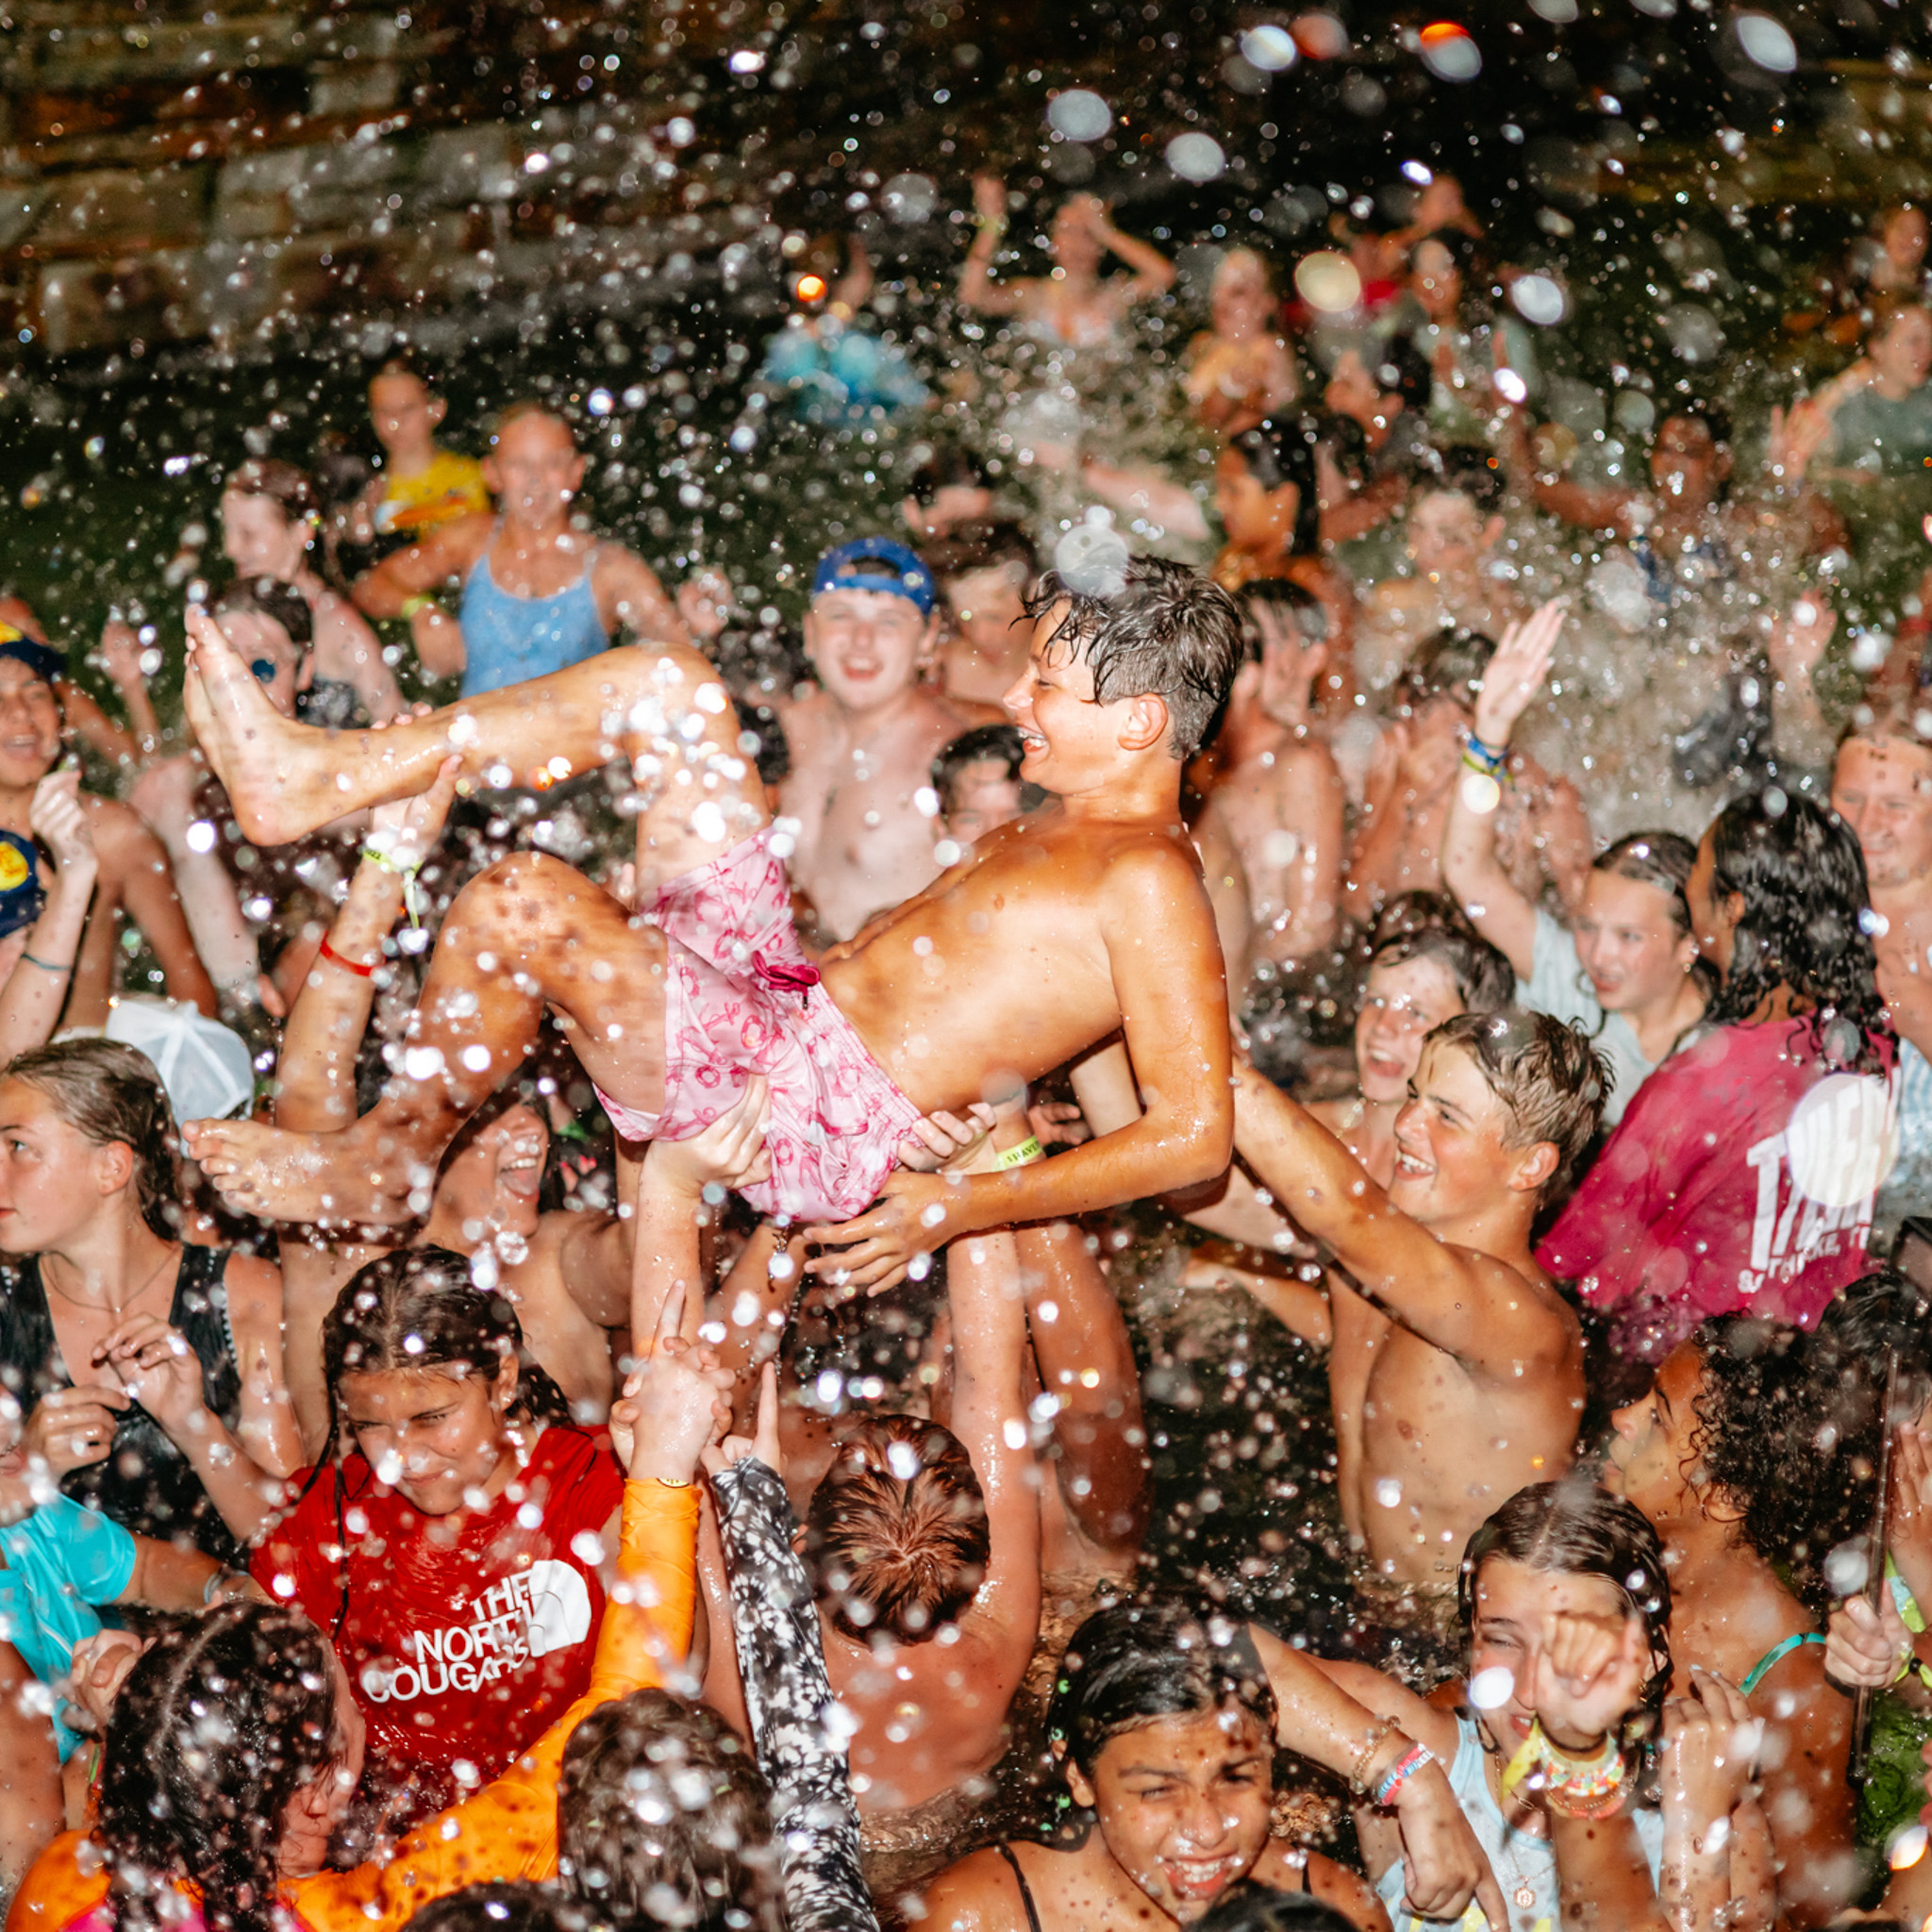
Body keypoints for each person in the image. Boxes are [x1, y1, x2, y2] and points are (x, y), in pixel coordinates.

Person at [177, 558, 1244, 1291]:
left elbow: (1193, 1137)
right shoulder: (1072, 829)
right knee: (669, 685)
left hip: (805, 1106)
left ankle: (391, 1158)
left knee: (522, 899)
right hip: (782, 1001)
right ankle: (319, 774)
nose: (1010, 695)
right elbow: (1059, 1022)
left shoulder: (1149, 876)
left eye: (1044, 683)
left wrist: (963, 1202)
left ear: (1138, 721)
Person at [6, 1291, 724, 1932]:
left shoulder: (62, 1875)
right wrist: (664, 1465)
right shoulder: (374, 1910)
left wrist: (130, 1728)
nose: (402, 1457)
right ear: (326, 1792)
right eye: (348, 1688)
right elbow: (627, 1699)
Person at [1213, 1012, 1601, 1684]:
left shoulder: (1523, 1323)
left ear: (1530, 1164)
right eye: (1414, 1095)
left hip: (1454, 1656)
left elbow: (1345, 1212)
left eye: (1445, 1115)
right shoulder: (1372, 1261)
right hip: (1348, 1594)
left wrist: (1219, 1061)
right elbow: (1193, 1196)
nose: (1405, 1125)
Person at [268, 758, 627, 1447]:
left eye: (529, 1103)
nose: (529, 1128)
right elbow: (311, 1085)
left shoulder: (557, 1261)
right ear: (420, 1137)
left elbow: (665, 1255)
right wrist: (382, 870)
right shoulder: (348, 1266)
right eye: (490, 1114)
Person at [229, 1245, 640, 1825]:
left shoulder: (589, 1482)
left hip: (574, 1829)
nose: (403, 1459)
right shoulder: (330, 1519)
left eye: (431, 1418)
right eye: (371, 1426)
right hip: (399, 1865)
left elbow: (672, 1664)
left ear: (502, 1381)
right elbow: (232, 1665)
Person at [1316, 1481, 1776, 1932]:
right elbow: (1252, 1671)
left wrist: (1696, 1831)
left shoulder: (1715, 1812)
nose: (1534, 1692)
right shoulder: (1414, 1749)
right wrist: (1408, 1781)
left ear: (1650, 1660)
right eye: (1500, 1640)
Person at [1540, 791, 1897, 1371]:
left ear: (1731, 907)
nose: (1688, 892)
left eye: (1697, 875)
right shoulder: (1870, 1044)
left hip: (1682, 1378)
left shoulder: (1701, 1083)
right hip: (1806, 1368)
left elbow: (1570, 1262)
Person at [1602, 1319, 1866, 1924]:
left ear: (1720, 1494)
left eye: (1657, 1417)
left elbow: (1814, 1911)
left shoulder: (1796, 1687)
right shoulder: (1612, 1559)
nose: (1622, 1417)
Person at [921, 1593, 1389, 1932]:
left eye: (1236, 1778)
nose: (1207, 1830)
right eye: (1158, 1790)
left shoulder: (1334, 1910)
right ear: (1078, 1776)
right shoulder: (985, 1917)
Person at [0, 1039, 297, 1563]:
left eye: (18, 1148)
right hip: (56, 1643)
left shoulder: (243, 1296)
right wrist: (26, 1472)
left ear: (112, 1168)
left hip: (225, 1628)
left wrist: (196, 1427)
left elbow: (297, 1550)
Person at [1441, 603, 1709, 1124]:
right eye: (1587, 927)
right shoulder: (1573, 984)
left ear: (1690, 944)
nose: (1598, 956)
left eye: (1629, 938)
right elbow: (1466, 871)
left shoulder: (1722, 1047)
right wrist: (1489, 732)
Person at [349, 401, 696, 696]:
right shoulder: (470, 540)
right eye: (519, 464)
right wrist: (421, 610)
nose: (536, 479)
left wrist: (701, 628)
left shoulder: (610, 569)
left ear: (576, 472)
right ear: (492, 473)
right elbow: (369, 587)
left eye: (553, 463)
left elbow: (690, 663)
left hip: (577, 768)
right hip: (482, 762)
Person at [777, 539, 995, 941]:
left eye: (889, 621)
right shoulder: (781, 732)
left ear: (928, 638)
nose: (862, 640)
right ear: (810, 631)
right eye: (841, 615)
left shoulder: (960, 763)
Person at [0, 628, 216, 1029]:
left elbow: (192, 989)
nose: (20, 713)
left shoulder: (114, 835)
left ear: (62, 716)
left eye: (35, 694)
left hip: (81, 1081)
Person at [1345, 615, 1592, 926]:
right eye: (1421, 708)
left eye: (1466, 708)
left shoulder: (1542, 796)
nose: (1450, 727)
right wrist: (1403, 797)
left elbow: (1584, 919)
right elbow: (1356, 907)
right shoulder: (1394, 763)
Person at [1192, 580, 1346, 976]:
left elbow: (1311, 928)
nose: (1247, 651)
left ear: (1313, 658)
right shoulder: (1210, 763)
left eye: (1264, 639)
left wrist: (1218, 981)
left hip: (1262, 992)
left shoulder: (1305, 763)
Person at [1830, 709, 1932, 1232]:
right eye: (1850, 799)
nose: (1866, 824)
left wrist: (1919, 1016)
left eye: (1895, 806)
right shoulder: (1801, 913)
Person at [219, 458, 404, 726]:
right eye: (228, 531)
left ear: (301, 532)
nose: (231, 549)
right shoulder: (237, 614)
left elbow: (398, 730)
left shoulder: (341, 631)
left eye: (248, 534)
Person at [1353, 446, 1524, 699]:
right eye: (1417, 527)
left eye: (1450, 536)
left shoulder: (1510, 622)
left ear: (1490, 531)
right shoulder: (1388, 603)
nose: (1425, 550)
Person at [959, 176, 1175, 351]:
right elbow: (973, 296)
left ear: (1101, 246)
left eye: (1088, 233)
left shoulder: (1113, 298)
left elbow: (1163, 276)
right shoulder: (1033, 295)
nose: (1077, 244)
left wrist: (1108, 233)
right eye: (1068, 231)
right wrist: (991, 226)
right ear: (1053, 240)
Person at [351, 360, 491, 554]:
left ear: (436, 409)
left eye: (407, 409)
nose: (394, 422)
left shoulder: (475, 477)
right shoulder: (364, 494)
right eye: (384, 411)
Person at [1185, 246, 1300, 435]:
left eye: (1238, 292)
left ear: (1266, 303)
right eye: (1217, 290)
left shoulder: (1267, 348)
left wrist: (1231, 386)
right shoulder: (1206, 345)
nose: (1222, 300)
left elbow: (1217, 421)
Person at [925, 522, 1040, 709]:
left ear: (1036, 598)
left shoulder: (1074, 670)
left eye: (994, 617)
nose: (980, 636)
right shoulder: (940, 670)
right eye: (966, 618)